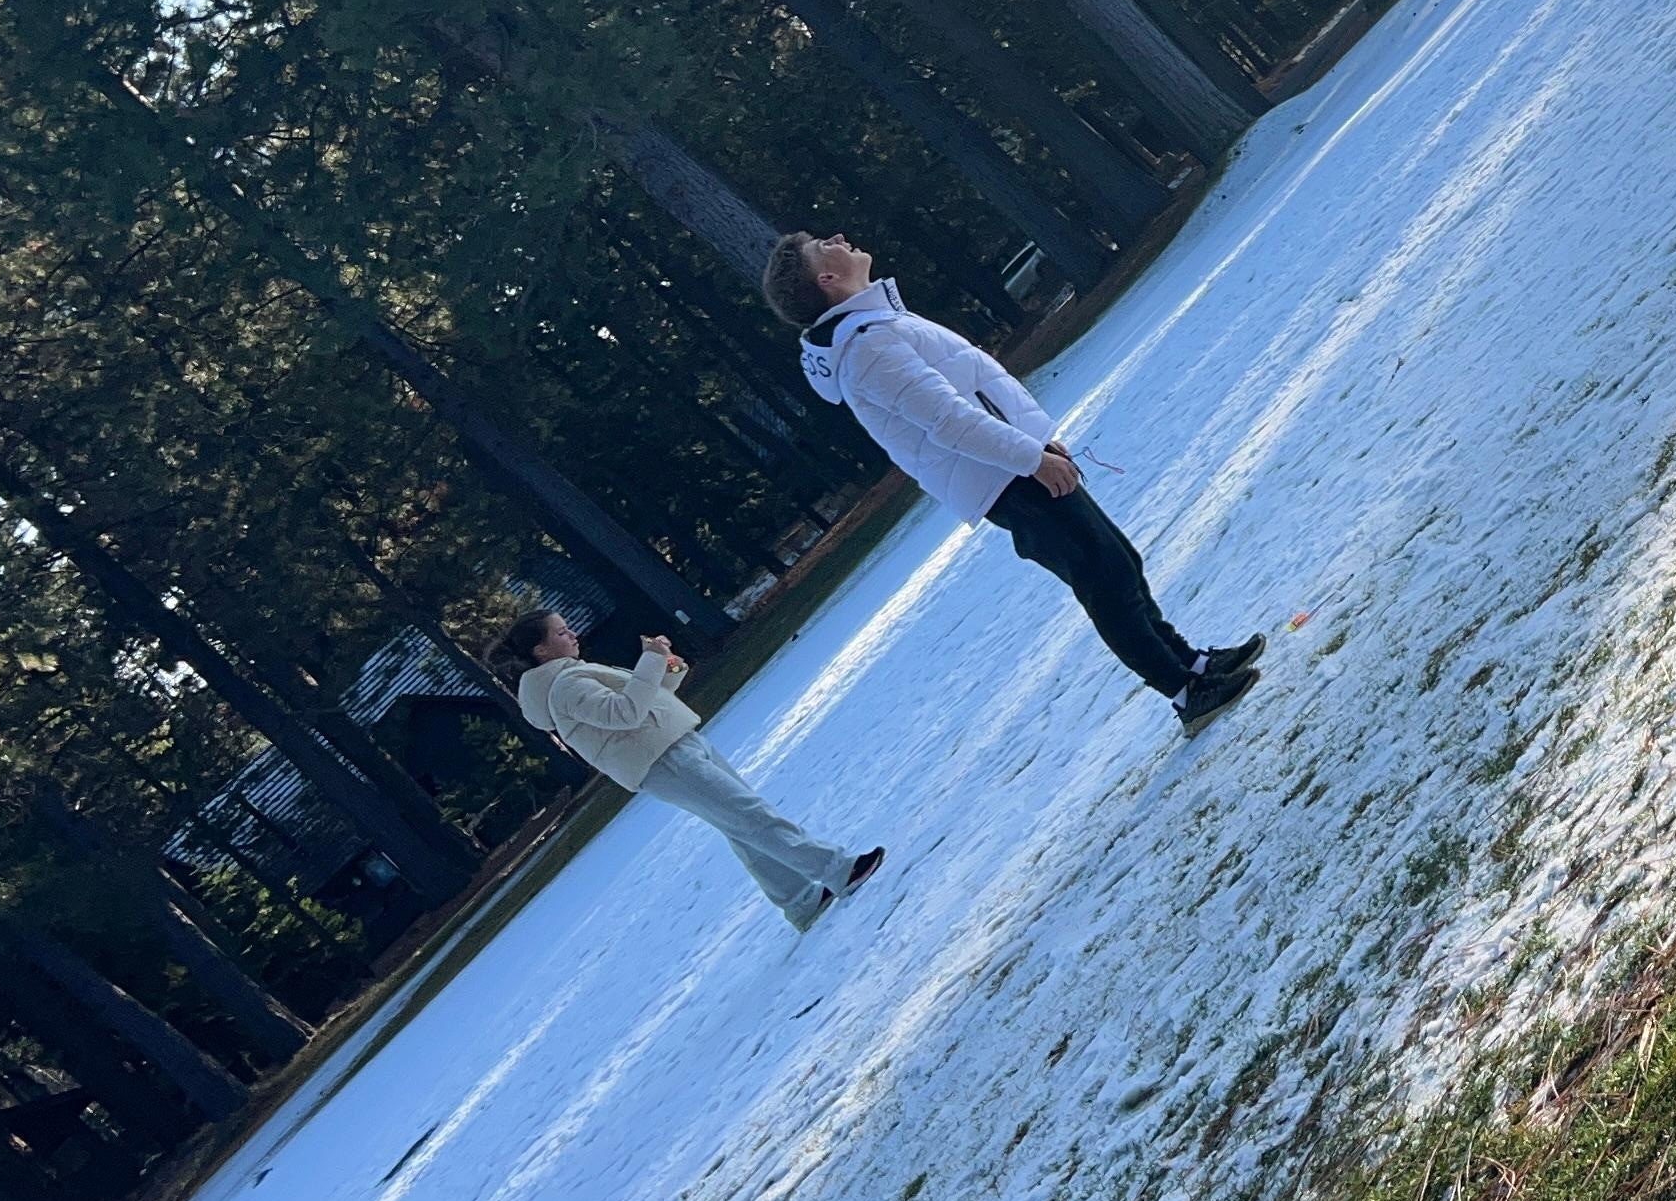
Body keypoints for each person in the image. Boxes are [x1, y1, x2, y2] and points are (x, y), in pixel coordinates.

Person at [763, 232, 1263, 732]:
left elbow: (970, 392)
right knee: (1104, 578)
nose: (839, 239)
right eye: (822, 246)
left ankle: (1192, 665)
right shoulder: (867, 347)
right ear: (826, 279)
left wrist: (1037, 443)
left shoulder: (871, 327)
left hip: (1013, 464)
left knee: (1117, 562)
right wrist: (1030, 458)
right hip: (1005, 477)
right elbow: (950, 420)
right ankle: (1185, 693)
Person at [488, 609, 883, 933]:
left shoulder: (569, 677)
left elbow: (641, 702)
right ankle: (838, 869)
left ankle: (801, 900)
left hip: (673, 745)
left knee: (739, 824)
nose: (571, 634)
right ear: (541, 651)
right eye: (560, 632)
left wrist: (666, 668)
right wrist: (651, 660)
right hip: (662, 758)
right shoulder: (564, 686)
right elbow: (624, 713)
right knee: (748, 815)